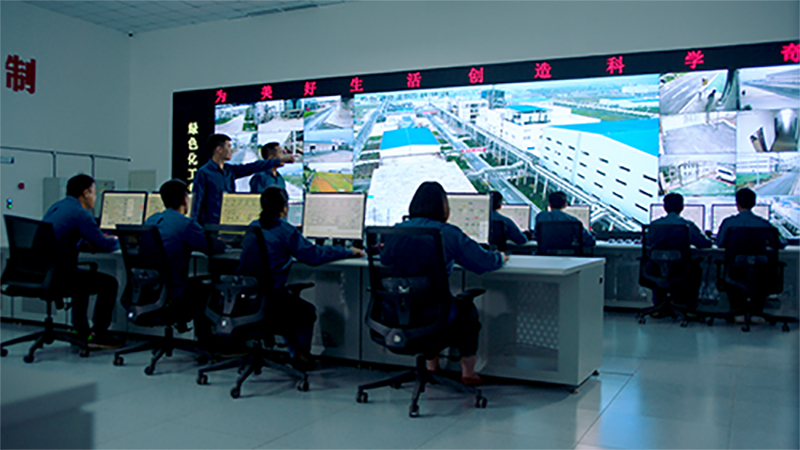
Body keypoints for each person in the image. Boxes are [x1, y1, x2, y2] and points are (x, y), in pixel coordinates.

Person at [388, 181, 507, 386]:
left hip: (397, 310)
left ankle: (432, 367)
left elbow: (384, 259)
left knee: (428, 305)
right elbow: (483, 263)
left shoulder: (395, 231)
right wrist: (500, 257)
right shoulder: (448, 233)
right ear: (443, 207)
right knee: (467, 311)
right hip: (433, 313)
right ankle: (468, 373)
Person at [238, 187, 364, 370]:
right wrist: (348, 251)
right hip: (270, 299)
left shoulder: (252, 228)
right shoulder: (284, 230)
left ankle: (295, 353)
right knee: (305, 311)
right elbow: (313, 256)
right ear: (284, 209)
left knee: (288, 305)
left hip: (247, 298)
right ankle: (301, 357)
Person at [42, 174, 121, 348]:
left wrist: (83, 244)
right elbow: (105, 245)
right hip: (60, 275)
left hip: (44, 272)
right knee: (109, 283)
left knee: (81, 280)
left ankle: (80, 330)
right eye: (94, 192)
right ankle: (99, 333)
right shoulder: (80, 213)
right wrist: (123, 239)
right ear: (86, 193)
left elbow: (62, 238)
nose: (95, 197)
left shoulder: (56, 207)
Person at [145, 179, 226, 332]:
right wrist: (220, 240)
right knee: (207, 285)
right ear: (184, 200)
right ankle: (207, 339)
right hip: (174, 291)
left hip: (152, 288)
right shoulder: (185, 224)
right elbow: (215, 248)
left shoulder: (151, 221)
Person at [191, 134, 294, 225]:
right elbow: (196, 202)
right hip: (210, 224)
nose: (231, 151)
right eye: (229, 147)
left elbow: (253, 167)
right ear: (219, 149)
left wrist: (279, 160)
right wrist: (195, 227)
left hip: (228, 222)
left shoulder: (230, 171)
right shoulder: (204, 173)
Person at [716, 188, 787, 319]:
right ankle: (756, 310)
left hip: (735, 272)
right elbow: (781, 243)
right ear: (754, 203)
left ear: (737, 204)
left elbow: (719, 243)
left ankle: (737, 308)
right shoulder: (765, 224)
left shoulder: (729, 223)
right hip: (761, 273)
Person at [647, 193, 712, 314]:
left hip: (656, 270)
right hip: (680, 270)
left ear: (664, 207)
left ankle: (658, 305)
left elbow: (647, 244)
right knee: (696, 268)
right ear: (682, 207)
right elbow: (705, 244)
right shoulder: (687, 226)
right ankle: (689, 308)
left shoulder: (654, 226)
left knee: (658, 266)